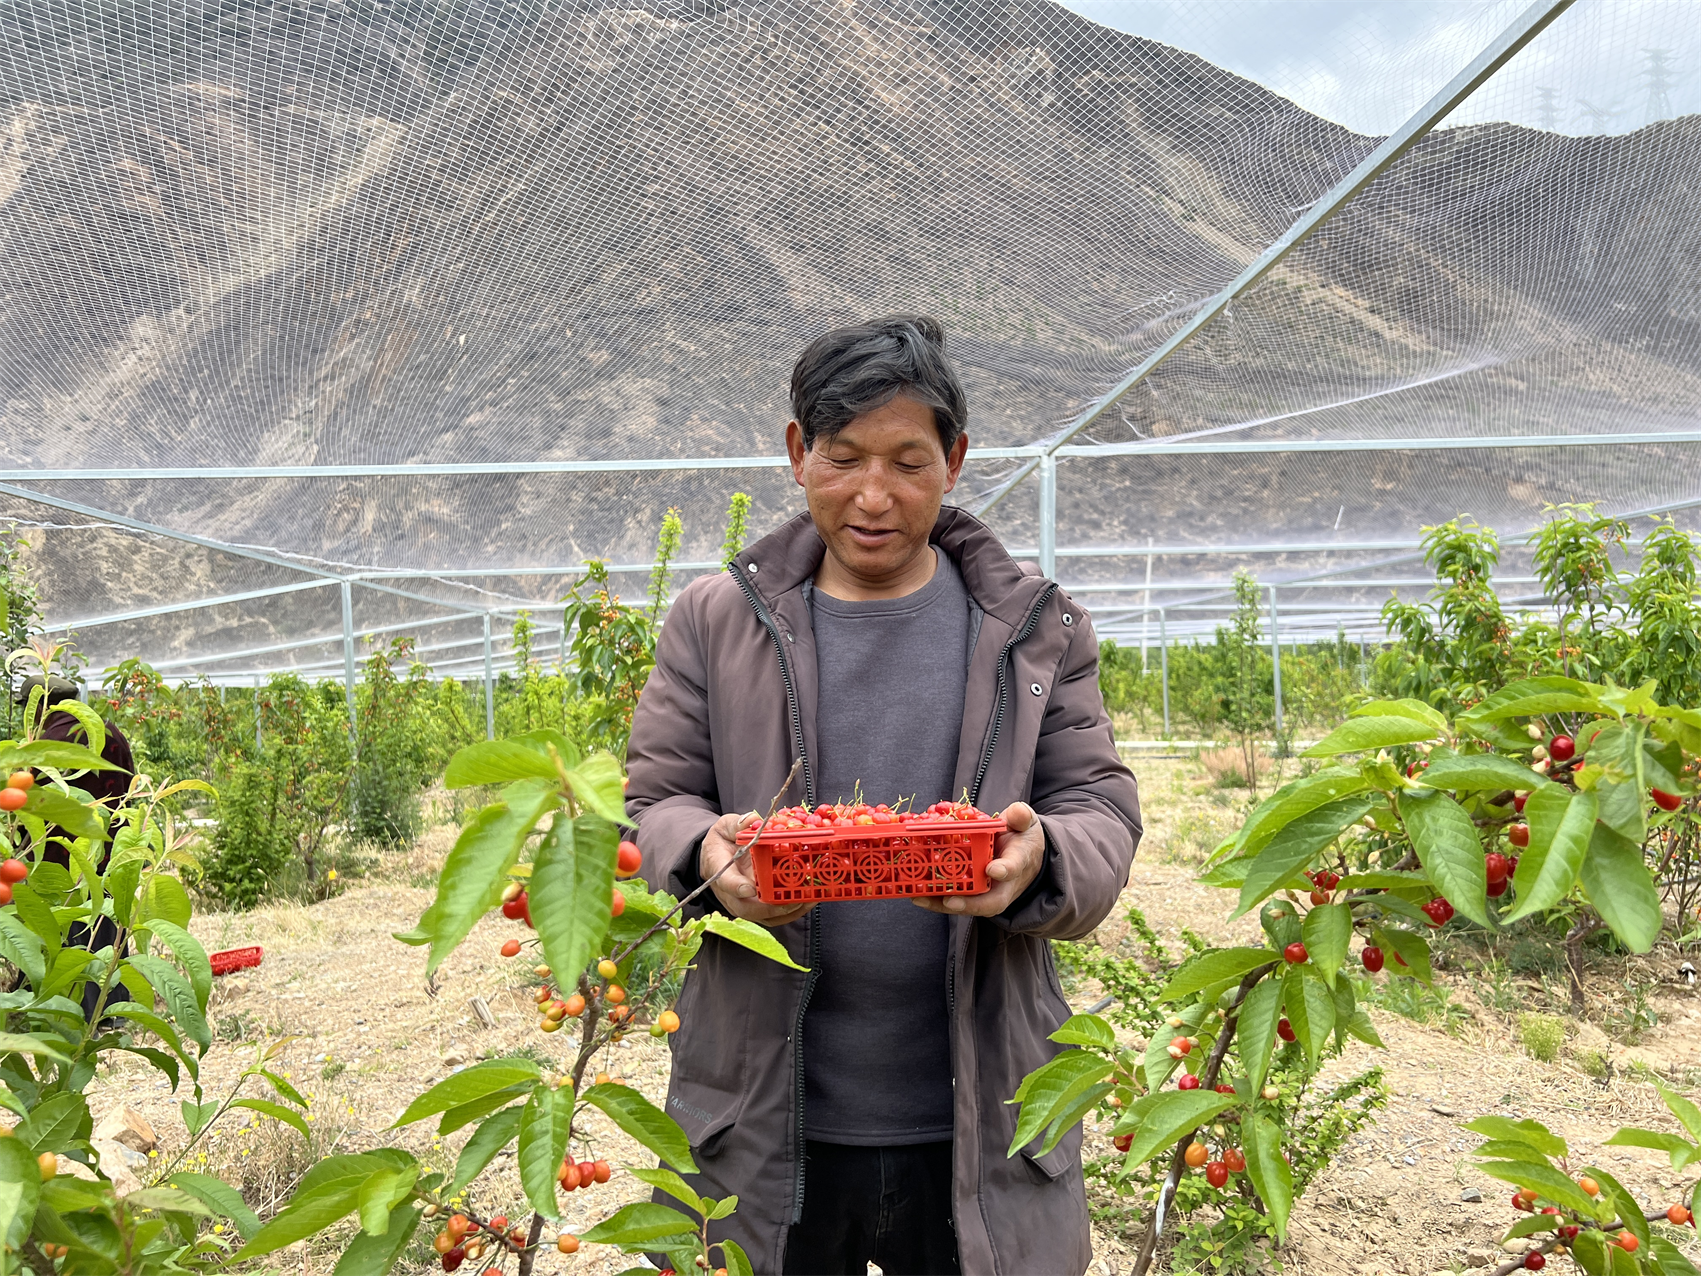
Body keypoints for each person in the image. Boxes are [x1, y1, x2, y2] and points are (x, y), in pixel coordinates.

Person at [625, 315, 1141, 1275]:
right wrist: (705, 856)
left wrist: (1039, 861)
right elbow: (656, 799)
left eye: (907, 462)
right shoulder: (715, 620)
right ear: (797, 454)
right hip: (761, 1117)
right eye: (843, 458)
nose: (873, 495)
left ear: (954, 461)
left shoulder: (1033, 627)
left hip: (982, 1121)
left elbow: (1098, 805)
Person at [15, 674, 135, 1020]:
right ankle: (110, 1011)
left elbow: (26, 804)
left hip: (59, 860)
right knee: (106, 929)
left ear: (40, 707)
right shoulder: (109, 731)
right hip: (110, 852)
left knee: (62, 931)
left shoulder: (47, 743)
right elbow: (129, 787)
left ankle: (60, 1011)